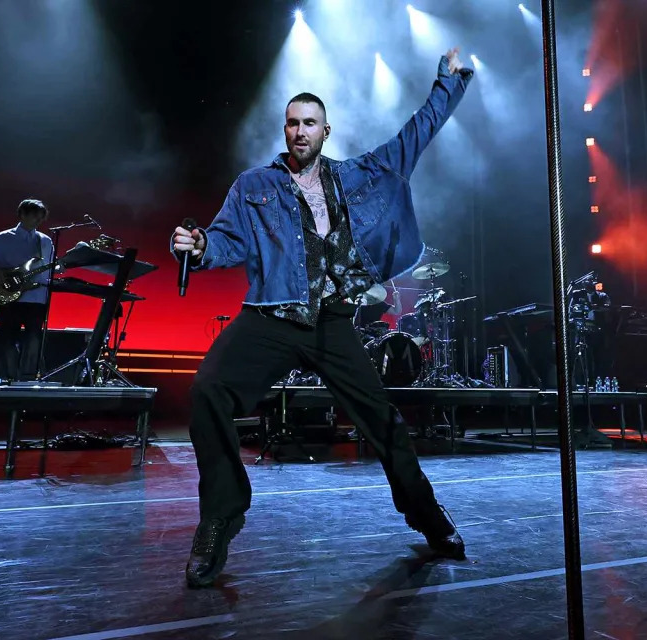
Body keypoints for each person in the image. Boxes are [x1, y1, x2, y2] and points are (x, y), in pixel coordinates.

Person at [172, 48, 474, 588]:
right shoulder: (254, 187)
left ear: (326, 131)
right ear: (284, 130)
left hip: (331, 320)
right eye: (291, 122)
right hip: (270, 315)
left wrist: (446, 85)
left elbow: (416, 134)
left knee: (383, 420)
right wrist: (197, 246)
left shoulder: (361, 175)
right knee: (209, 388)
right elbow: (224, 240)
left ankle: (428, 516)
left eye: (309, 123)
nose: (299, 131)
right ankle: (219, 518)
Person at [0, 199, 54, 381]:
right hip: (9, 296)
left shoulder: (45, 241)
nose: (38, 220)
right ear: (22, 214)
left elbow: (49, 267)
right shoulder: (3, 238)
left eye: (41, 217)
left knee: (34, 339)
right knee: (7, 339)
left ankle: (28, 379)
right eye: (34, 216)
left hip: (36, 297)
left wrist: (60, 268)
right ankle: (9, 378)